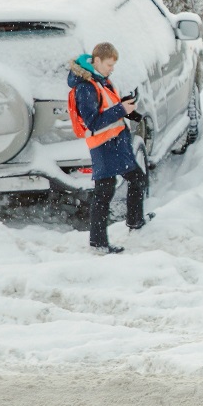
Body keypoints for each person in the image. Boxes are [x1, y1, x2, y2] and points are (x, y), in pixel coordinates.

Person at [67, 42, 151, 254]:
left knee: (136, 179)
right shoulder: (86, 87)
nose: (112, 68)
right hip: (104, 145)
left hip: (116, 142)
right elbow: (94, 122)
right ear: (96, 61)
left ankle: (135, 221)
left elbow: (107, 108)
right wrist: (121, 109)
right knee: (104, 192)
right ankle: (99, 243)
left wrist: (124, 106)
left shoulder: (99, 80)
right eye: (109, 64)